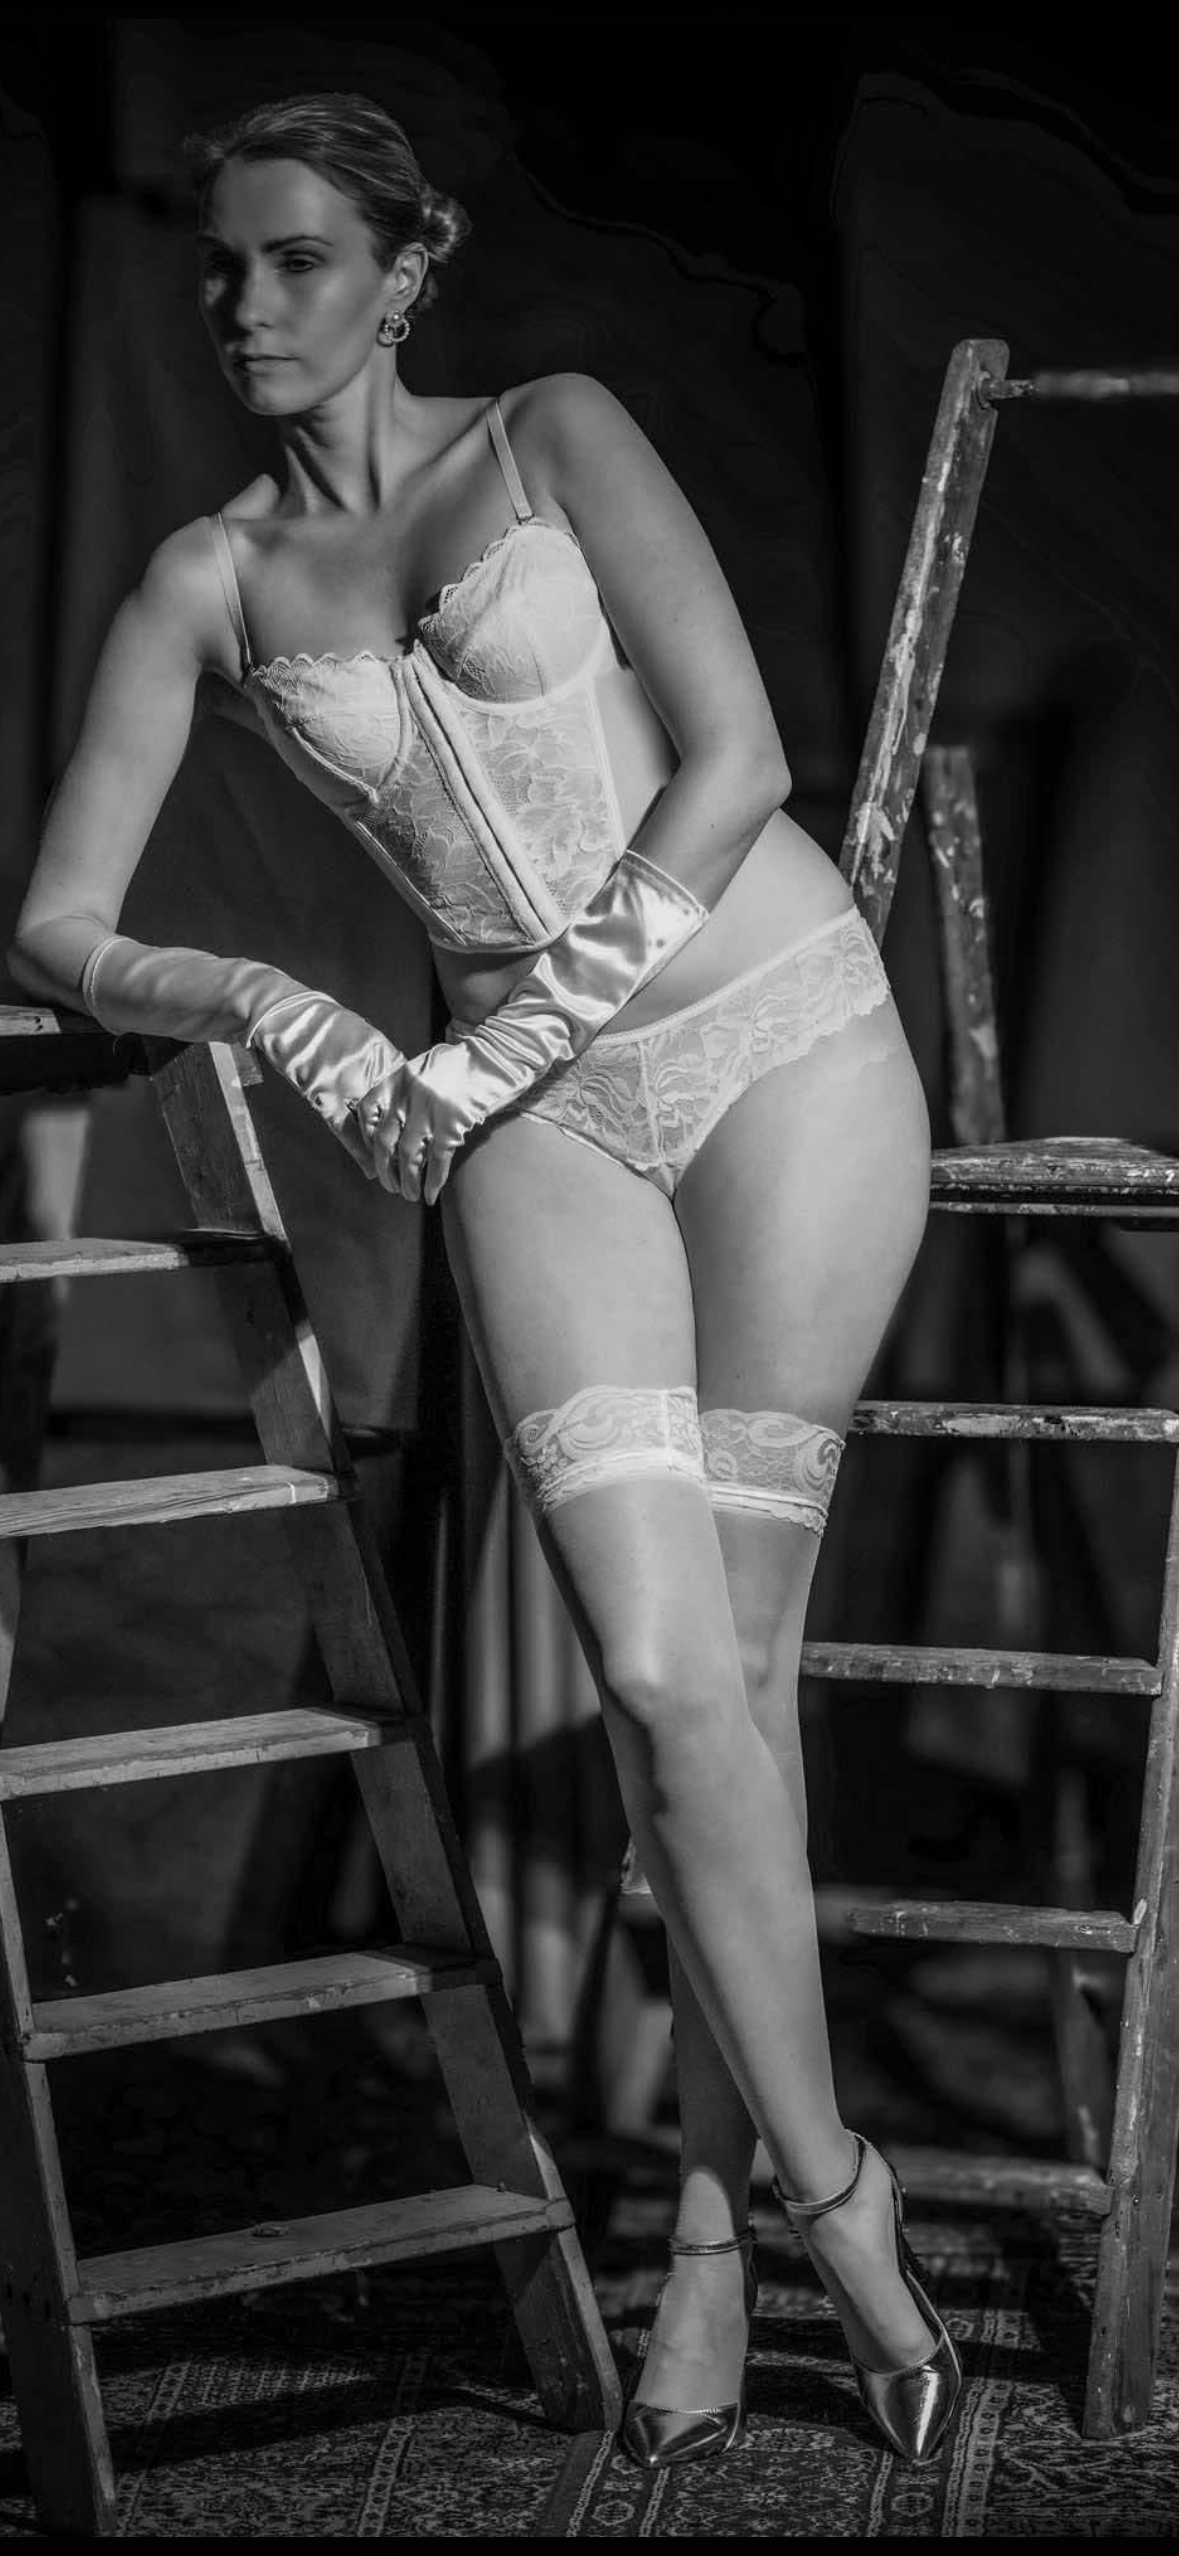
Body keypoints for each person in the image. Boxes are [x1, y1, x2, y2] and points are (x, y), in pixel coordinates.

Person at [9, 92, 960, 2470]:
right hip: (525, 1142)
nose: (246, 304)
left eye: (297, 259)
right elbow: (54, 921)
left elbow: (735, 758)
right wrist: (280, 1005)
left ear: (406, 267)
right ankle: (840, 2198)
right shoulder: (208, 580)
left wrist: (508, 1040)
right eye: (221, 266)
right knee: (657, 1672)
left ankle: (717, 2239)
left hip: (775, 1048)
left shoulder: (553, 433)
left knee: (728, 1677)